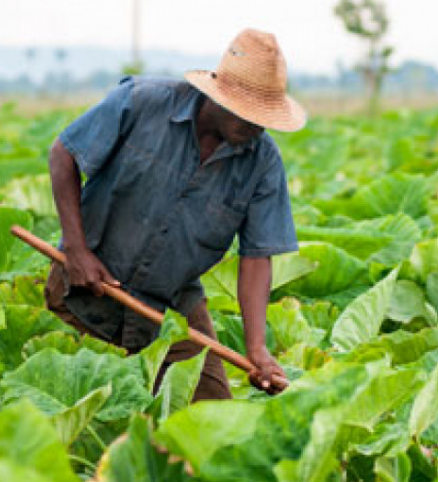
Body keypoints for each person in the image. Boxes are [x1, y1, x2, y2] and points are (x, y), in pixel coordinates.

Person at [45, 28, 305, 399]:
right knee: (87, 402)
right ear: (220, 96)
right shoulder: (141, 103)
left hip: (170, 303)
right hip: (85, 289)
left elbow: (256, 257)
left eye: (265, 118)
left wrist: (257, 348)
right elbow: (63, 153)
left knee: (210, 411)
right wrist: (76, 249)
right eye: (249, 116)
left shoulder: (262, 162)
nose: (257, 128)